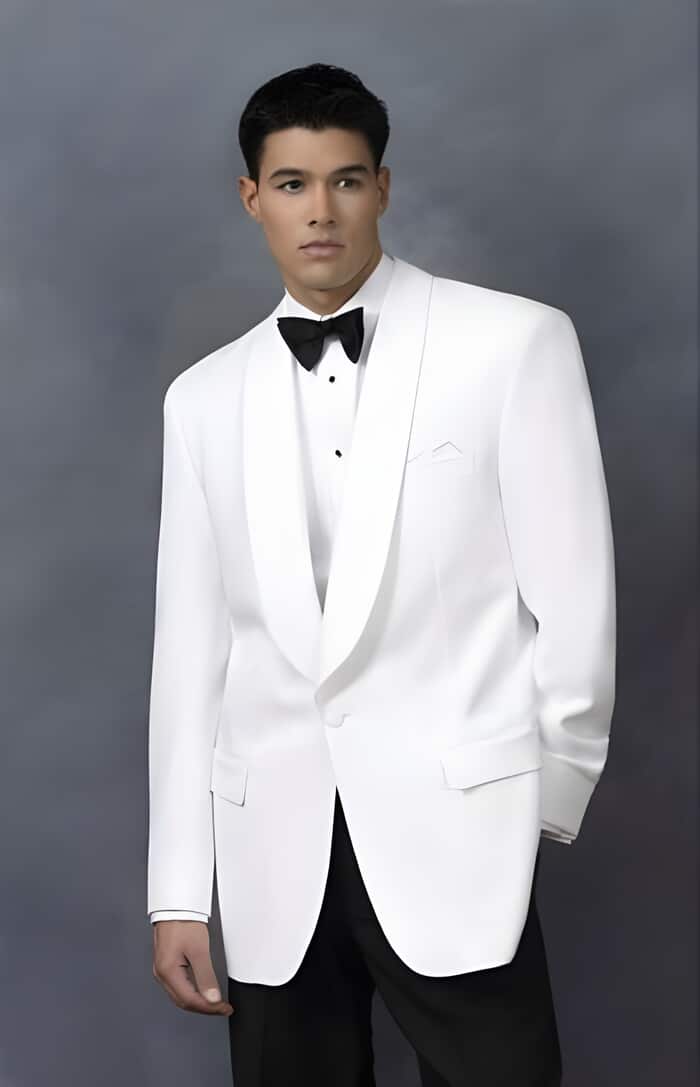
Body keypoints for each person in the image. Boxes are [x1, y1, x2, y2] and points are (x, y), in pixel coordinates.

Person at [147, 62, 616, 1086]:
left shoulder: (514, 343)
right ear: (253, 198)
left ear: (383, 188)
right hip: (271, 853)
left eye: (346, 180)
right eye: (292, 184)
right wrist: (177, 887)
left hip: (462, 830)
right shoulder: (201, 399)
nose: (321, 210)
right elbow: (191, 654)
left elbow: (574, 593)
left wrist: (539, 795)